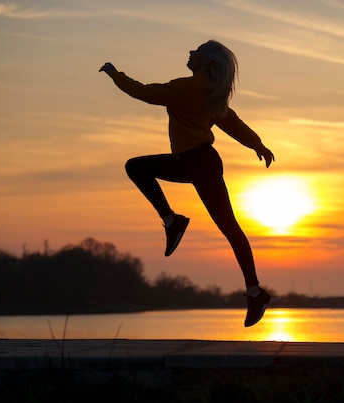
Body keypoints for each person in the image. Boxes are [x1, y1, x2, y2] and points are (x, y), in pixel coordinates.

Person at [99, 40, 274, 327]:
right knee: (230, 229)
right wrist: (258, 145)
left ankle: (172, 221)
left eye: (197, 51)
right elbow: (233, 122)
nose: (190, 52)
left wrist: (115, 73)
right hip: (200, 162)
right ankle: (254, 292)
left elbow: (143, 92)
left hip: (195, 162)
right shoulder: (209, 92)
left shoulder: (188, 88)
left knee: (136, 167)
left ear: (206, 62)